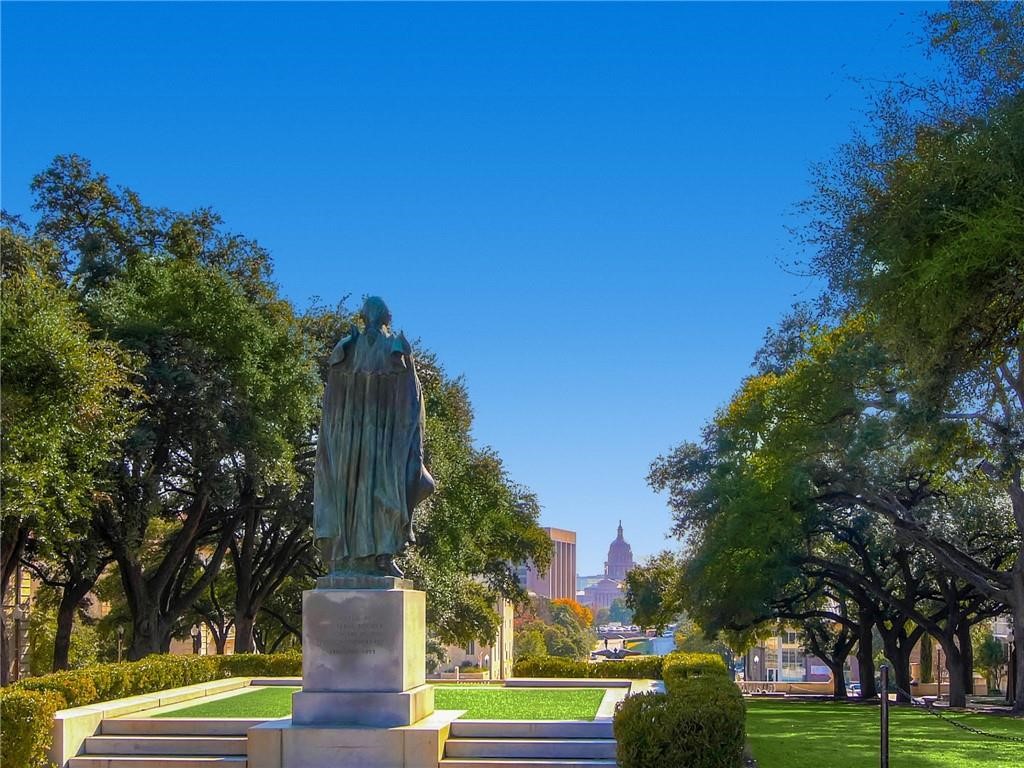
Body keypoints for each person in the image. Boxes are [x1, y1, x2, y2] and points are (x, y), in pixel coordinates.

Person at [313, 296, 434, 577]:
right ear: (386, 318)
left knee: (375, 493)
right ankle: (366, 557)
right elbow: (413, 403)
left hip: (369, 438)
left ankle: (377, 554)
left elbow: (409, 400)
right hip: (362, 438)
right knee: (371, 493)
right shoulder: (361, 348)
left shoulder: (352, 349)